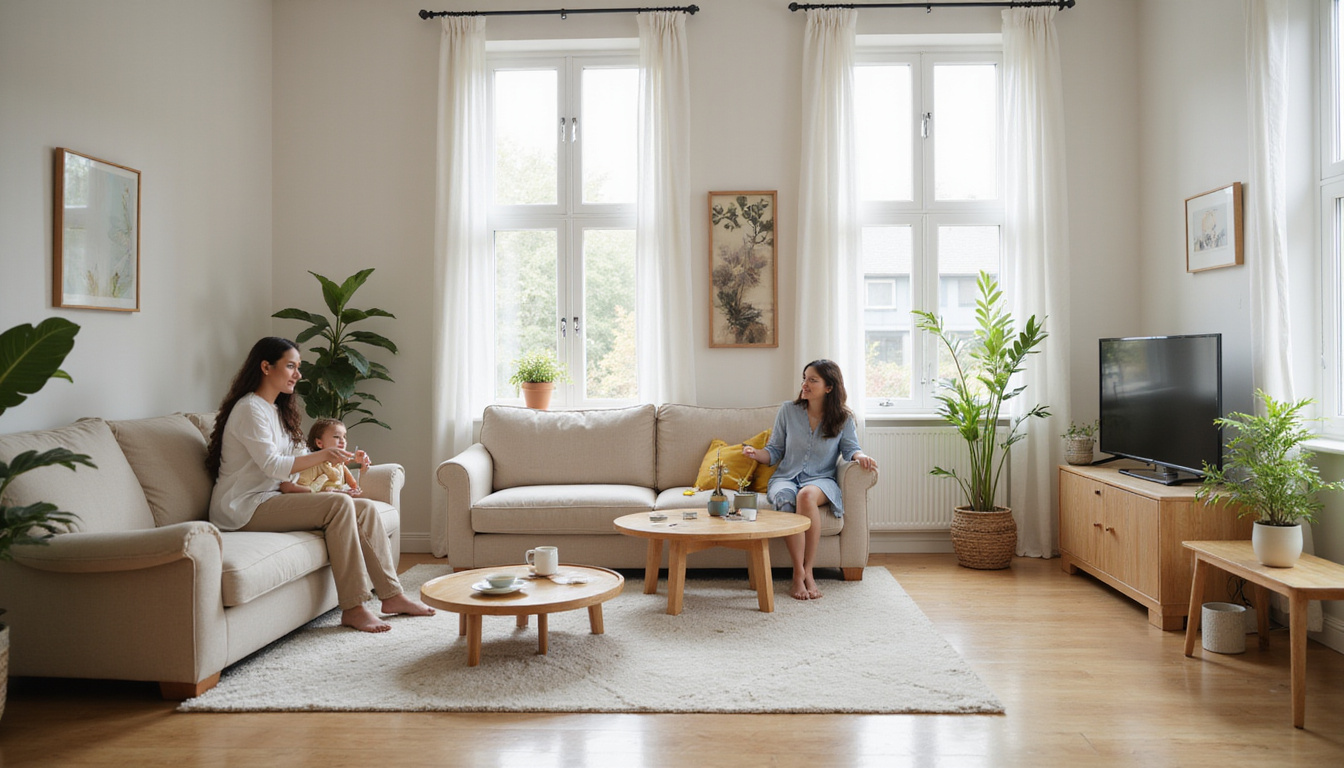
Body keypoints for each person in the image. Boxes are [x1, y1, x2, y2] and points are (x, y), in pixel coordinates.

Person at [205, 337, 434, 633]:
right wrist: (324, 454)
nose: (298, 374)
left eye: (298, 367)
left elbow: (300, 456)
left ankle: (393, 595)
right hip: (243, 507)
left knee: (362, 508)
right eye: (290, 366)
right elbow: (274, 465)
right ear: (265, 367)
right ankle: (354, 607)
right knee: (340, 504)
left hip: (271, 497)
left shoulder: (277, 410)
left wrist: (347, 458)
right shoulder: (250, 409)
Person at [742, 359, 878, 602]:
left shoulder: (843, 418)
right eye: (805, 378)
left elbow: (851, 449)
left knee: (806, 495)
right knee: (786, 497)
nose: (805, 384)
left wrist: (861, 456)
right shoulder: (788, 411)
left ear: (829, 387)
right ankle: (798, 574)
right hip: (785, 477)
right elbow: (774, 451)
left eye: (812, 379)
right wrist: (756, 454)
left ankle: (809, 571)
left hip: (821, 480)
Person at [294, 418, 363, 495]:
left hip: (338, 498)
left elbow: (353, 484)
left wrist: (355, 489)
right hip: (322, 499)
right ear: (319, 443)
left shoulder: (340, 465)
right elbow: (298, 486)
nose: (342, 440)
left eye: (344, 437)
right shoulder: (315, 465)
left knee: (366, 504)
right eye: (336, 437)